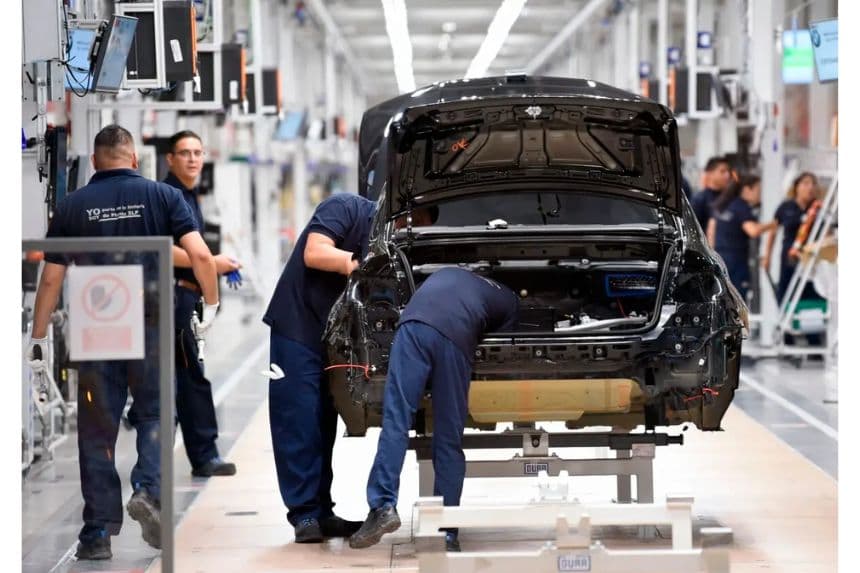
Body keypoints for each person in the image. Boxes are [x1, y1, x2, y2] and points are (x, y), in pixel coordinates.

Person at [24, 125, 220, 560]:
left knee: (97, 432)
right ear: (134, 159)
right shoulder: (163, 197)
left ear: (94, 162)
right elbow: (202, 256)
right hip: (151, 324)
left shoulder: (73, 206)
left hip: (98, 329)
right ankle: (147, 490)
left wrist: (38, 339)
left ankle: (96, 534)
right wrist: (211, 304)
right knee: (155, 414)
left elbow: (52, 277)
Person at [349, 267, 519, 552]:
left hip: (413, 326)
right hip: (456, 336)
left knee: (396, 421)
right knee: (448, 438)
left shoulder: (447, 273)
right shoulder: (510, 300)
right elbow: (502, 347)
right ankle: (446, 531)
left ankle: (382, 507)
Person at [164, 130, 240, 477]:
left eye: (197, 152)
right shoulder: (168, 195)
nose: (193, 159)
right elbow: (164, 247)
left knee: (187, 375)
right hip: (176, 297)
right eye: (185, 153)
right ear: (170, 159)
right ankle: (204, 455)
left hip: (188, 295)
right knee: (190, 376)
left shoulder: (189, 195)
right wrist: (209, 262)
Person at [706, 175, 776, 300]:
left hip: (719, 259)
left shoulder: (723, 205)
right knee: (738, 301)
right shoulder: (742, 207)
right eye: (758, 190)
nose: (760, 195)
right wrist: (774, 224)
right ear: (747, 189)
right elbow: (753, 231)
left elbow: (711, 231)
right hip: (736, 263)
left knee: (722, 299)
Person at [762, 172, 823, 304]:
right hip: (790, 255)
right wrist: (768, 257)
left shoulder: (819, 208)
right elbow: (773, 231)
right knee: (787, 289)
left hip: (812, 256)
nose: (810, 187)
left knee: (811, 289)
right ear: (797, 187)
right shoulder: (786, 207)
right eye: (806, 183)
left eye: (813, 184)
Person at [690, 156, 732, 231]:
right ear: (710, 174)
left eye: (728, 171)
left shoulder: (731, 198)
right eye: (722, 171)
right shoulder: (700, 199)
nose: (727, 175)